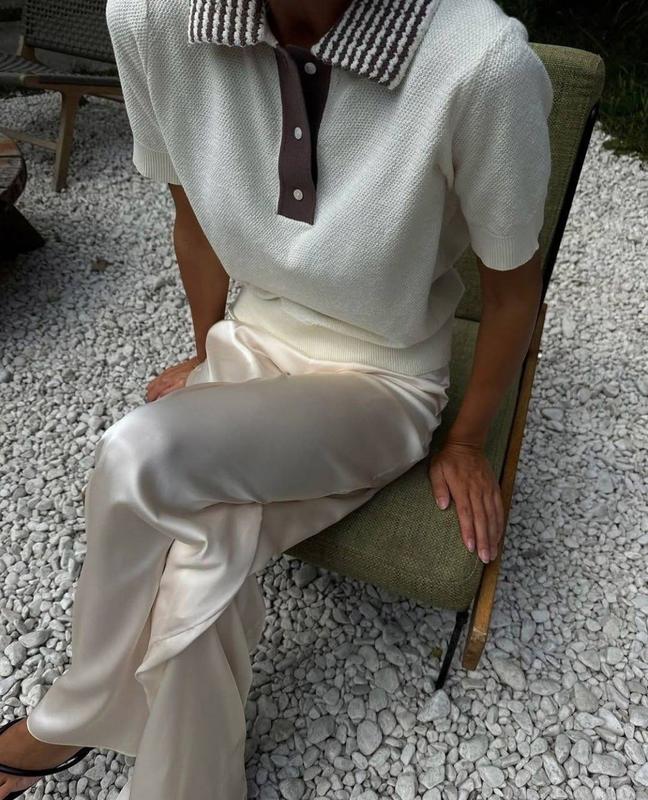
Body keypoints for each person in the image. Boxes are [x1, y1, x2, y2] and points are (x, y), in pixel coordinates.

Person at [0, 0, 552, 797]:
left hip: (381, 379)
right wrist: (207, 351)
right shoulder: (152, 20)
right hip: (253, 339)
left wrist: (466, 440)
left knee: (136, 450)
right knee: (203, 562)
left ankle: (66, 719)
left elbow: (513, 293)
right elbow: (192, 219)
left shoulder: (480, 62)